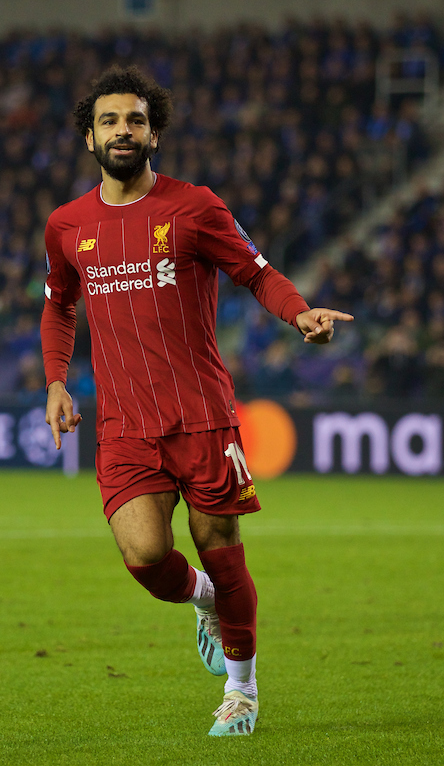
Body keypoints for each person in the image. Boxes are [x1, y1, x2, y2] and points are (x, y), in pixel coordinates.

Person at [41, 67, 352, 737]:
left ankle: (242, 689)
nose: (123, 130)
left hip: (202, 414)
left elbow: (256, 271)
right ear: (88, 137)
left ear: (154, 132)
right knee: (146, 556)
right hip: (125, 424)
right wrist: (56, 380)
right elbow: (60, 305)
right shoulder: (66, 225)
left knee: (221, 546)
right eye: (110, 121)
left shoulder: (194, 207)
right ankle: (207, 602)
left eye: (135, 120)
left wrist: (297, 314)